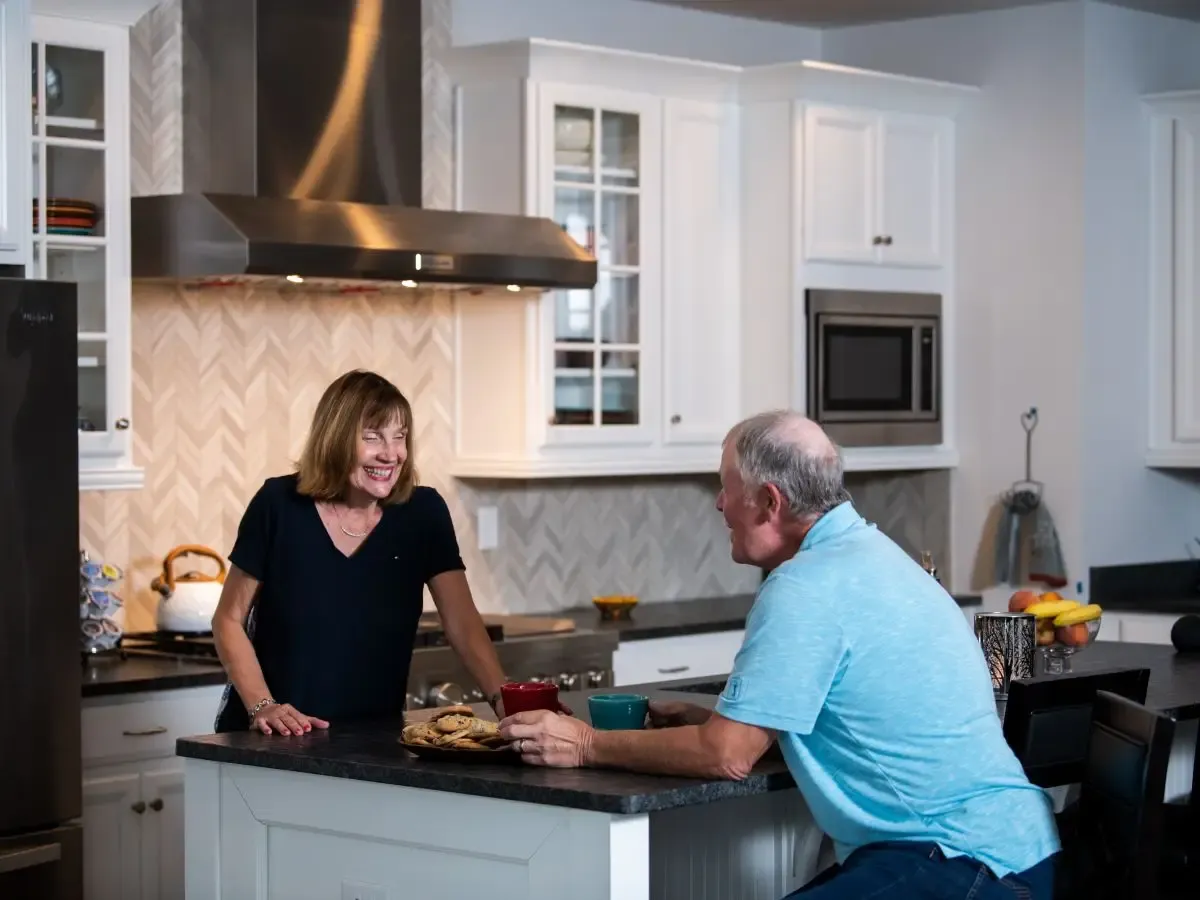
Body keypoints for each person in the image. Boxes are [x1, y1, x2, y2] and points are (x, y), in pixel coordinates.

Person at [499, 410, 1060, 899]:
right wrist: (722, 720)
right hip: (1015, 852)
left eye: (727, 488)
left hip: (960, 861)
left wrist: (584, 743)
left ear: (770, 501)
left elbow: (726, 755)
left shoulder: (804, 585)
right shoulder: (875, 554)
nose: (719, 504)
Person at [211, 369, 507, 735]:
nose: (391, 454)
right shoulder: (278, 505)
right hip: (272, 739)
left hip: (374, 741)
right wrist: (263, 705)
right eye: (373, 437)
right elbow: (228, 619)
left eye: (400, 437)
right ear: (335, 439)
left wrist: (504, 699)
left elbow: (463, 622)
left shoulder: (423, 513)